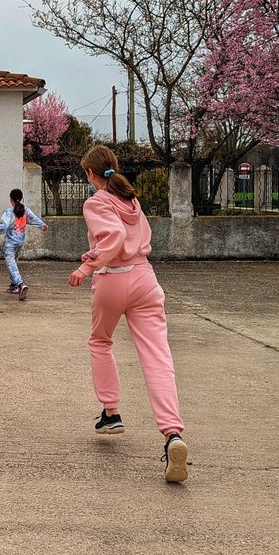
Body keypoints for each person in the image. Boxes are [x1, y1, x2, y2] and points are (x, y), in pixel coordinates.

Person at [68, 145, 189, 483]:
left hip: (113, 279)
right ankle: (172, 434)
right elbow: (128, 233)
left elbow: (115, 236)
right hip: (145, 279)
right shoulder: (131, 201)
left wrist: (86, 267)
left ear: (90, 174)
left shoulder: (96, 202)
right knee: (157, 357)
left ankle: (111, 413)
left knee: (100, 341)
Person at [0, 188, 47, 301]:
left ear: (11, 199)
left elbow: (4, 226)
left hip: (10, 243)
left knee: (11, 264)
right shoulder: (25, 210)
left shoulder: (9, 212)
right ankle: (13, 285)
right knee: (13, 263)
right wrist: (42, 225)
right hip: (20, 242)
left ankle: (20, 284)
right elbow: (34, 219)